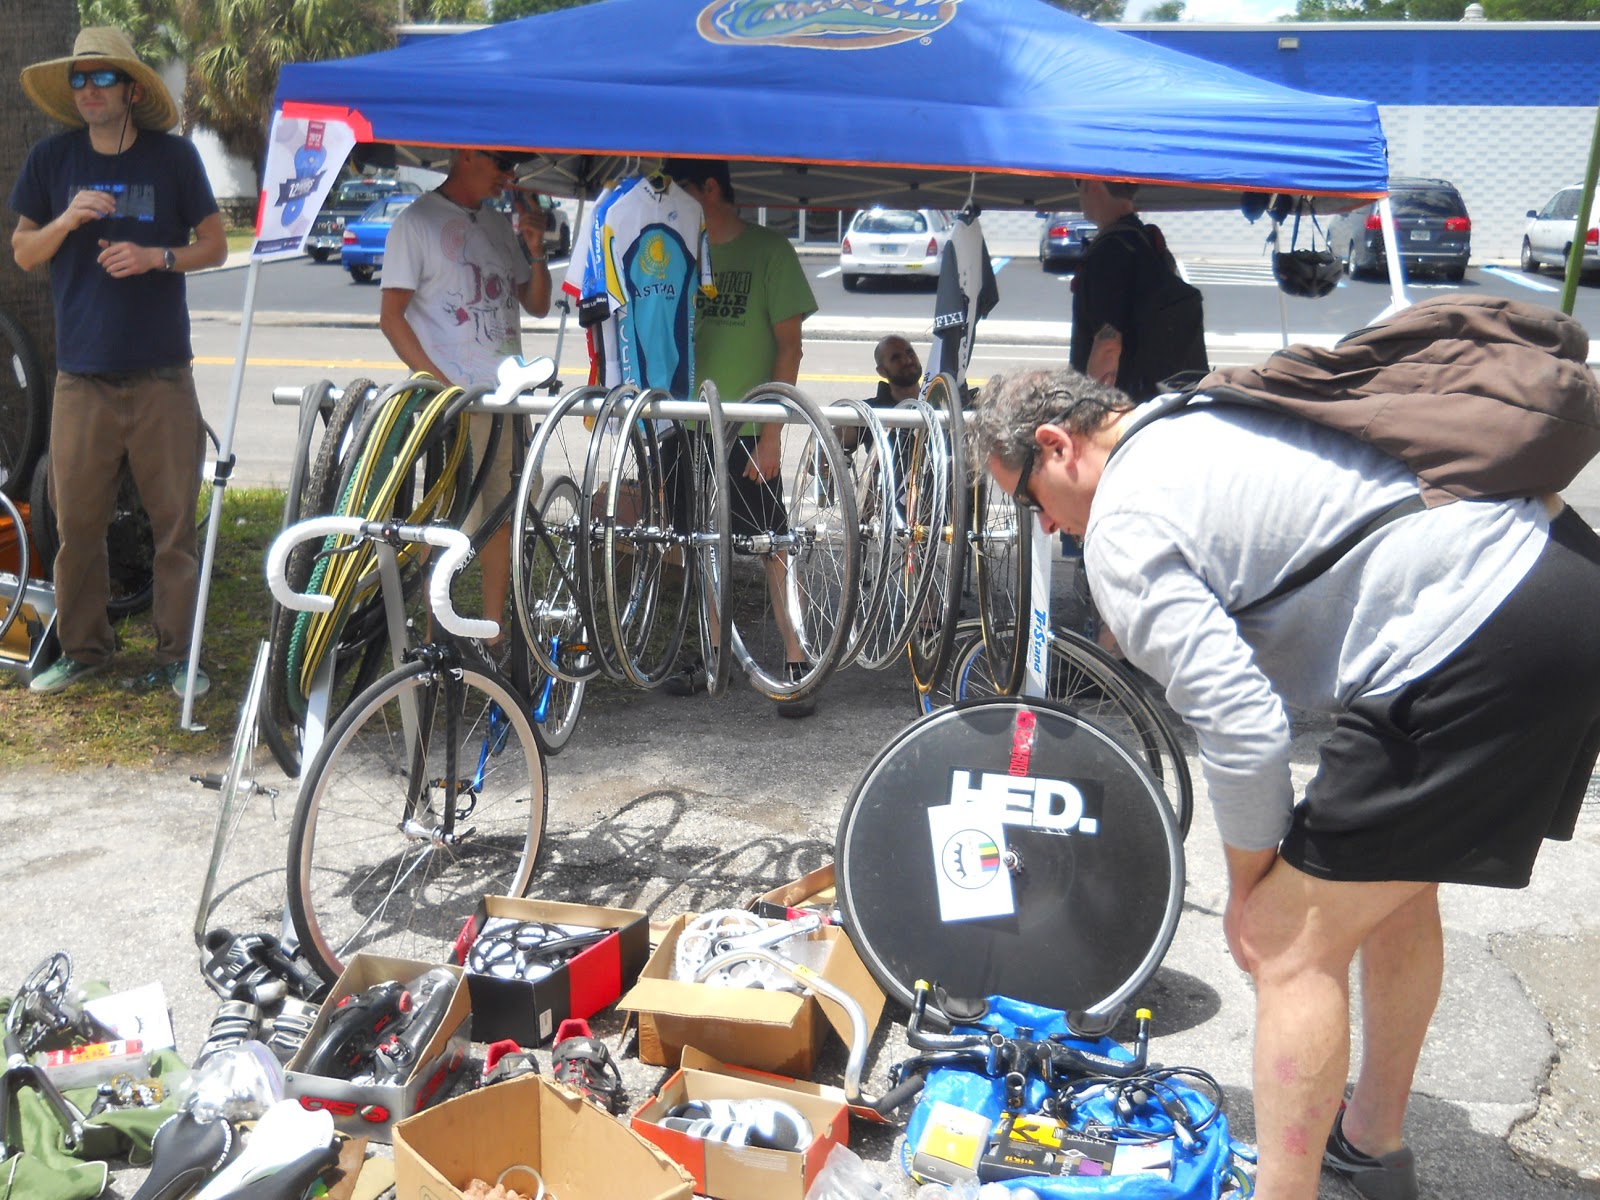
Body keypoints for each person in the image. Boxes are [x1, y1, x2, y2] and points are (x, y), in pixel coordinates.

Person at [968, 364, 1600, 1200]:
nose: (1047, 526)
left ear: (1057, 444)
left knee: (1287, 940)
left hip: (1473, 633)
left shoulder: (1124, 523)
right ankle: (1371, 1145)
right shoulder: (1196, 411)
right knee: (1392, 889)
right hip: (1562, 575)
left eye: (1029, 500)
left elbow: (1243, 725)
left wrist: (1250, 889)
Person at [10, 27, 228, 697]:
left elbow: (215, 245)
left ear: (132, 90)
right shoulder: (52, 160)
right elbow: (24, 252)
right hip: (82, 379)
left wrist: (157, 257)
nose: (88, 90)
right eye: (79, 79)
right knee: (75, 525)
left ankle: (179, 657)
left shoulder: (173, 158)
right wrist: (66, 221)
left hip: (163, 374)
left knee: (174, 526)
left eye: (102, 77)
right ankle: (85, 650)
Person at [660, 158, 819, 718]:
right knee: (700, 541)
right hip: (687, 422)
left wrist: (773, 433)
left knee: (771, 542)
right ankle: (714, 651)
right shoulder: (677, 249)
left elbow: (790, 347)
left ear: (709, 188)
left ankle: (797, 657)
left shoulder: (769, 251)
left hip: (749, 423)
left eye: (679, 190)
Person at [378, 147, 551, 649]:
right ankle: (438, 640)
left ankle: (493, 635)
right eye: (503, 163)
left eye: (514, 166)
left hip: (508, 399)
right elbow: (391, 318)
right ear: (469, 154)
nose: (509, 175)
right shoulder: (416, 223)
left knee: (503, 517)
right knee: (448, 527)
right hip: (457, 406)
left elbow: (537, 304)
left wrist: (536, 249)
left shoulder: (497, 224)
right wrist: (440, 386)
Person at [1069, 178, 1196, 402]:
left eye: (1078, 183)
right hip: (1157, 399)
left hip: (1123, 404)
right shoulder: (1147, 241)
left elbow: (1108, 345)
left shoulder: (1110, 252)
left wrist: (1086, 408)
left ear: (1092, 183)